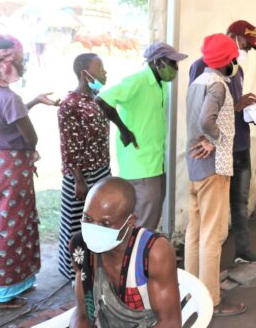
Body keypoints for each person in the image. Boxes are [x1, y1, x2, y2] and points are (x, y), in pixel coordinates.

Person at [0, 35, 59, 308]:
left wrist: (33, 101)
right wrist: (28, 106)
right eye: (20, 62)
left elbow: (7, 121)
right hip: (10, 171)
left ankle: (11, 282)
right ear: (7, 65)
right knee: (9, 230)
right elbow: (30, 138)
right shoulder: (10, 98)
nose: (23, 66)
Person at [189, 20, 256, 264]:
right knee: (214, 226)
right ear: (231, 37)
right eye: (244, 45)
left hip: (239, 144)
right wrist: (218, 137)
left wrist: (252, 111)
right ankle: (209, 284)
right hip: (216, 155)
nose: (245, 52)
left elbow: (223, 109)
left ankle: (241, 251)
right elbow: (204, 114)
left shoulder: (235, 69)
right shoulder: (204, 68)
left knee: (238, 205)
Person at [185, 33, 247, 317]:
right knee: (213, 235)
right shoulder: (219, 85)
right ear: (228, 61)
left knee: (195, 233)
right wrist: (217, 139)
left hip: (196, 168)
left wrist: (208, 137)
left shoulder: (197, 81)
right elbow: (206, 120)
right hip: (214, 169)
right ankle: (211, 300)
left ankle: (191, 291)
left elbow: (201, 120)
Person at [96, 42, 188, 229]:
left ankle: (141, 256)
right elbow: (102, 99)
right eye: (172, 63)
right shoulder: (138, 81)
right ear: (158, 62)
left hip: (154, 163)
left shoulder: (160, 85)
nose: (175, 68)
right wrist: (123, 129)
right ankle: (137, 257)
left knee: (149, 219)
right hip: (140, 166)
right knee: (142, 224)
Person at [70, 177, 181, 327]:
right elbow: (82, 312)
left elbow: (170, 322)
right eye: (87, 218)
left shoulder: (153, 252)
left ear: (130, 221)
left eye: (105, 223)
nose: (94, 229)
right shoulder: (80, 247)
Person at [56, 53, 112, 281]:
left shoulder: (96, 97)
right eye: (99, 68)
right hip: (82, 174)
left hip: (101, 169)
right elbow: (68, 145)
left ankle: (96, 264)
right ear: (84, 74)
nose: (104, 72)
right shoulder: (69, 105)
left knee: (99, 220)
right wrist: (79, 179)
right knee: (77, 223)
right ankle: (75, 273)